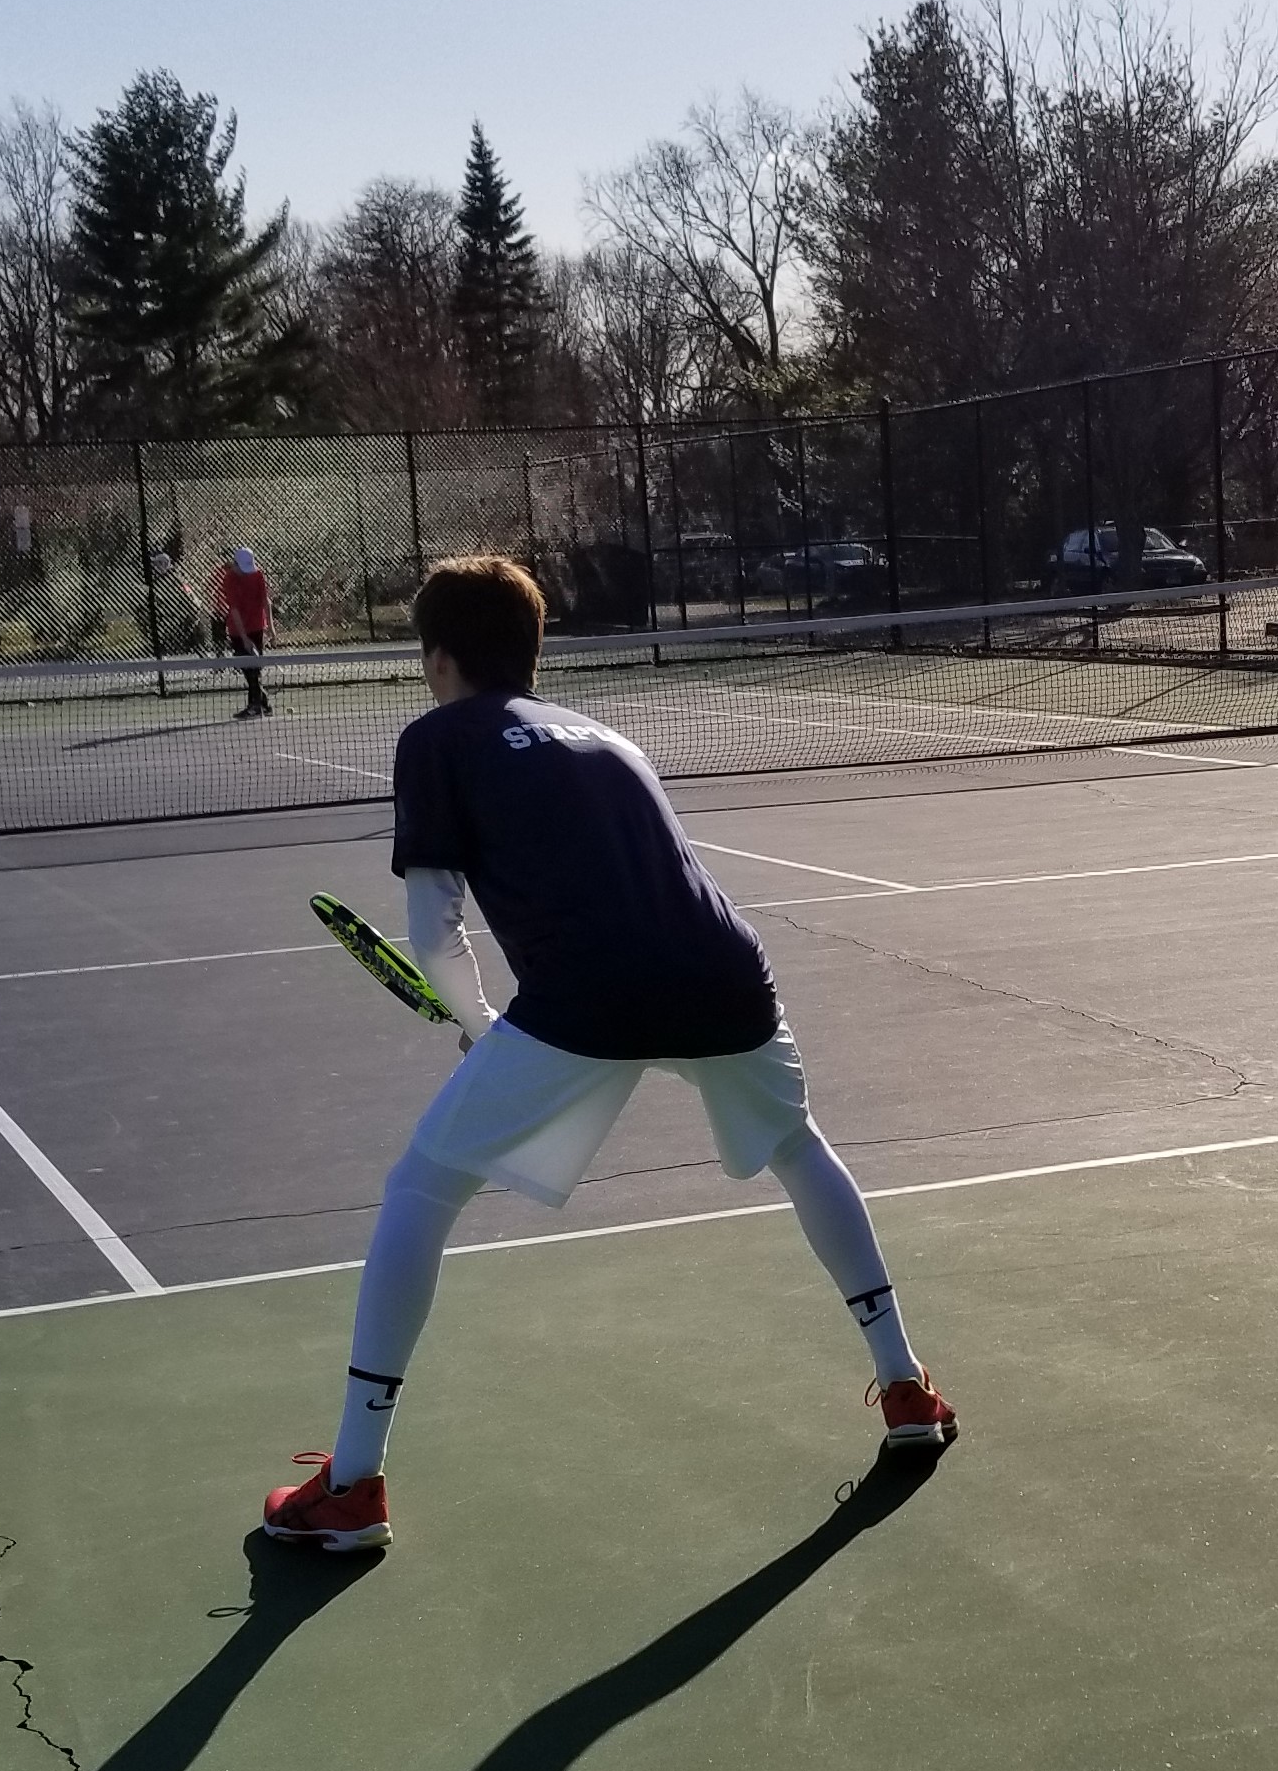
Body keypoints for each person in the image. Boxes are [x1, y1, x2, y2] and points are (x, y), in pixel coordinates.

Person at [260, 554, 955, 1555]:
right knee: (798, 1147)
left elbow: (433, 932)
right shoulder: (607, 737)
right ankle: (905, 1387)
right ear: (532, 648)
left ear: (439, 658)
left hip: (586, 997)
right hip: (726, 976)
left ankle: (353, 1484)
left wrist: (483, 1026)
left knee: (422, 1187)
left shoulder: (437, 736)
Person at [213, 546, 273, 717]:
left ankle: (257, 706)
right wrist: (244, 637)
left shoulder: (258, 575)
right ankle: (262, 704)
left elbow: (266, 601)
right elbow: (235, 610)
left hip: (257, 626)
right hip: (238, 630)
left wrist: (271, 628)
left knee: (254, 669)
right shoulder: (229, 579)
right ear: (235, 564)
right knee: (248, 669)